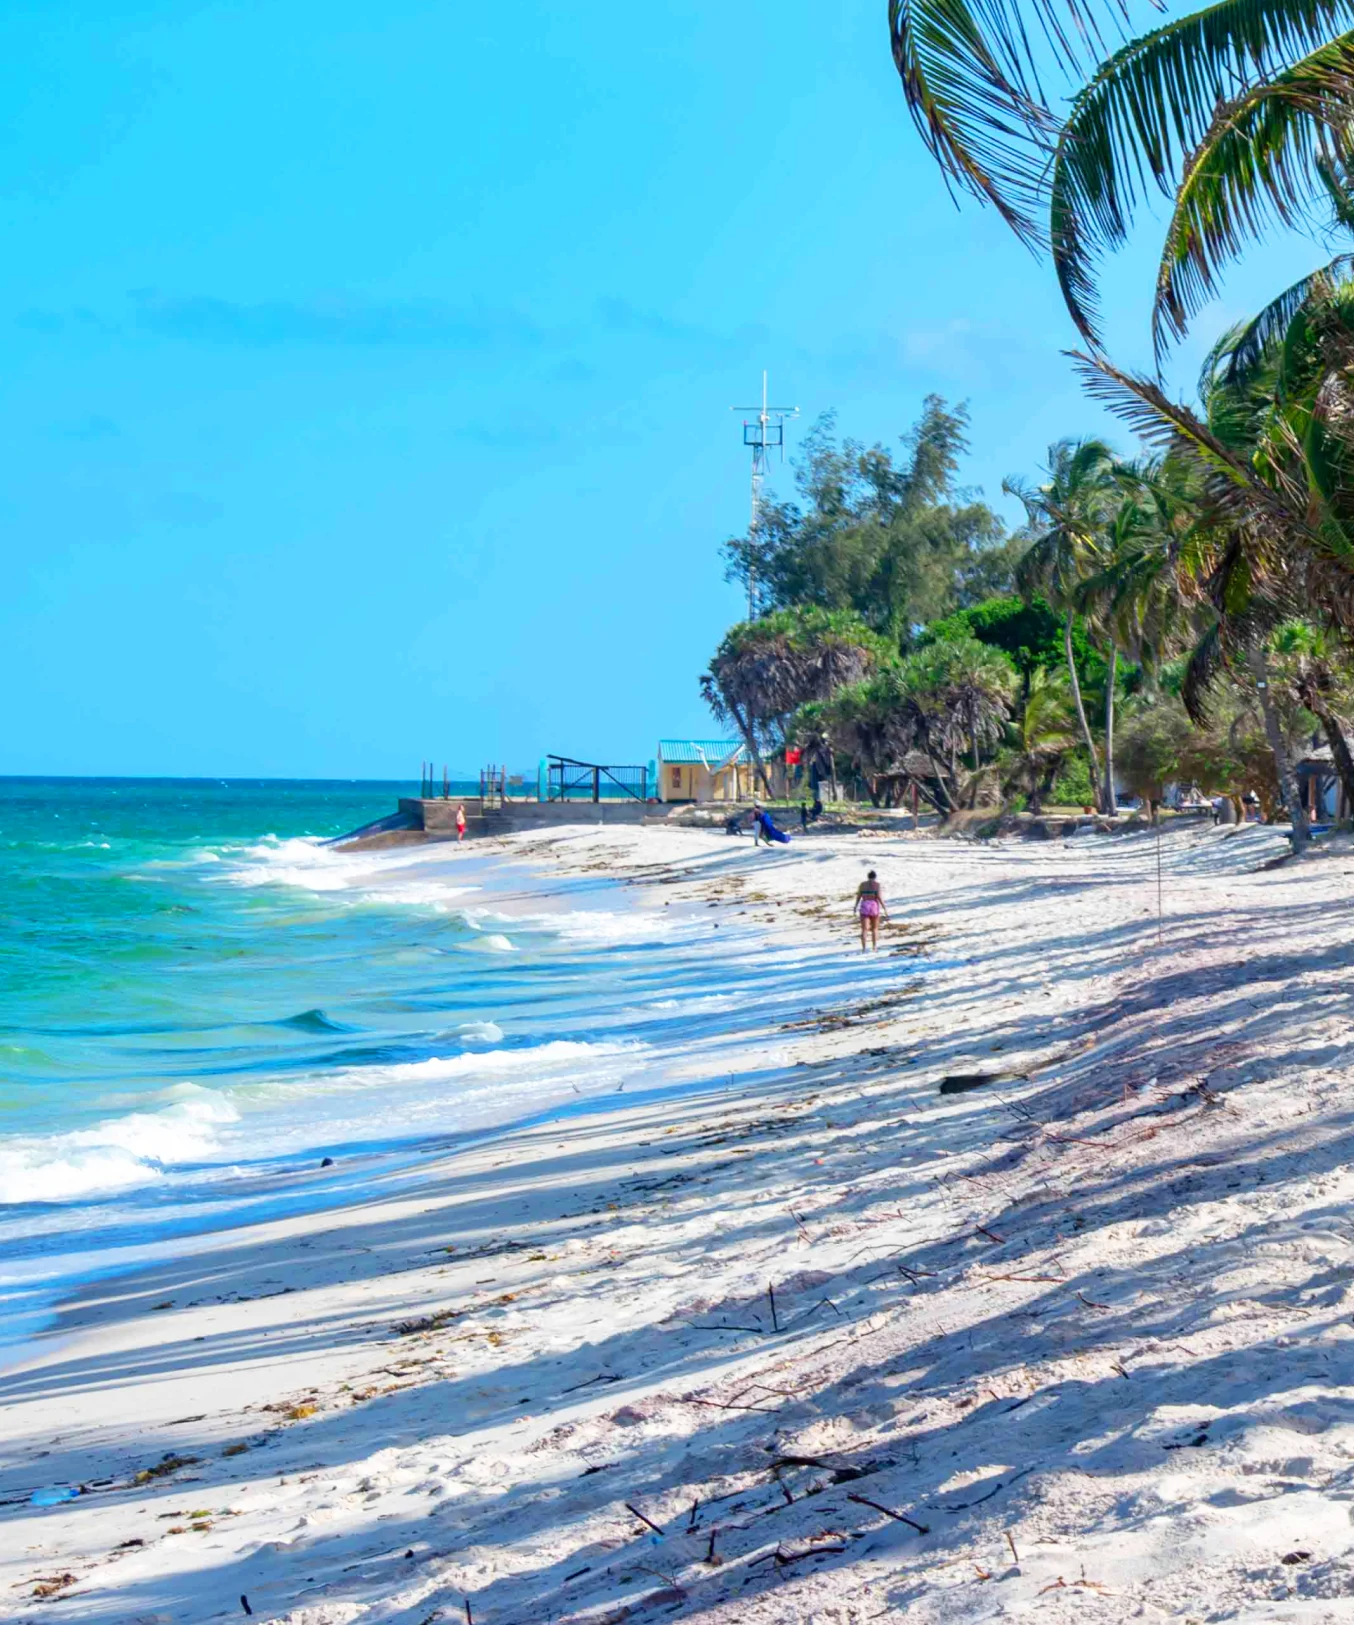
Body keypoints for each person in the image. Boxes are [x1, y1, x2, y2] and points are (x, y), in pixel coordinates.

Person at [853, 869, 889, 951]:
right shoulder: (877, 885)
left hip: (864, 905)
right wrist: (884, 908)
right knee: (875, 928)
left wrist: (855, 906)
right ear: (875, 877)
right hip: (874, 906)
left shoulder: (862, 885)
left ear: (868, 876)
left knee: (864, 929)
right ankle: (874, 947)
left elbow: (858, 896)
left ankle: (864, 948)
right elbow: (879, 897)